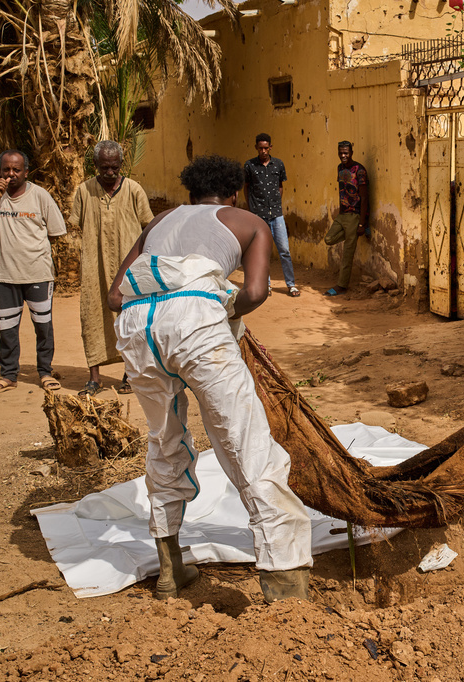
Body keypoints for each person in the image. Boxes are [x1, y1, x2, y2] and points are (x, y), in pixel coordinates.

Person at [107, 155, 313, 602]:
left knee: (164, 441)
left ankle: (169, 570)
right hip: (196, 319)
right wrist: (213, 313)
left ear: (189, 194)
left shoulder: (161, 220)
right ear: (234, 192)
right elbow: (256, 292)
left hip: (135, 326)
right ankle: (284, 582)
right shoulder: (249, 221)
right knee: (247, 445)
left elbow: (113, 295)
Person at [0, 150, 66, 395]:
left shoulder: (40, 196)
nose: (11, 174)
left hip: (38, 274)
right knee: (7, 330)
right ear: (0, 171)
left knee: (43, 327)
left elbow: (56, 232)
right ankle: (8, 376)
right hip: (4, 275)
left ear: (26, 172)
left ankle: (45, 372)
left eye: (16, 170)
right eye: (6, 169)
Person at [72, 140, 154, 396]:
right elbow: (76, 225)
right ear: (95, 165)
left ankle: (129, 374)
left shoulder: (134, 190)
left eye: (114, 168)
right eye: (104, 168)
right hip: (94, 267)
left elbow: (148, 225)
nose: (110, 173)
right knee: (93, 316)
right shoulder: (84, 191)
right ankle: (94, 378)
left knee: (131, 318)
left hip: (128, 266)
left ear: (121, 165)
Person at [243, 133, 299, 297]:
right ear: (256, 148)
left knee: (284, 250)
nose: (263, 151)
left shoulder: (278, 164)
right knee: (263, 251)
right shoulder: (249, 166)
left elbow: (280, 186)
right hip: (259, 215)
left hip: (276, 214)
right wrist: (251, 207)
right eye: (260, 148)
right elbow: (246, 187)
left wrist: (276, 203)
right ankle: (266, 285)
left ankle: (291, 284)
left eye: (266, 148)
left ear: (270, 147)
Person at [323, 140, 368, 296]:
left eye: (346, 153)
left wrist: (361, 223)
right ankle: (353, 234)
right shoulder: (340, 168)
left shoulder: (359, 170)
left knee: (347, 254)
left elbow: (364, 197)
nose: (343, 155)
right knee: (328, 239)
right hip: (342, 215)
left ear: (351, 153)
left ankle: (341, 286)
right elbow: (342, 190)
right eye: (341, 153)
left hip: (354, 216)